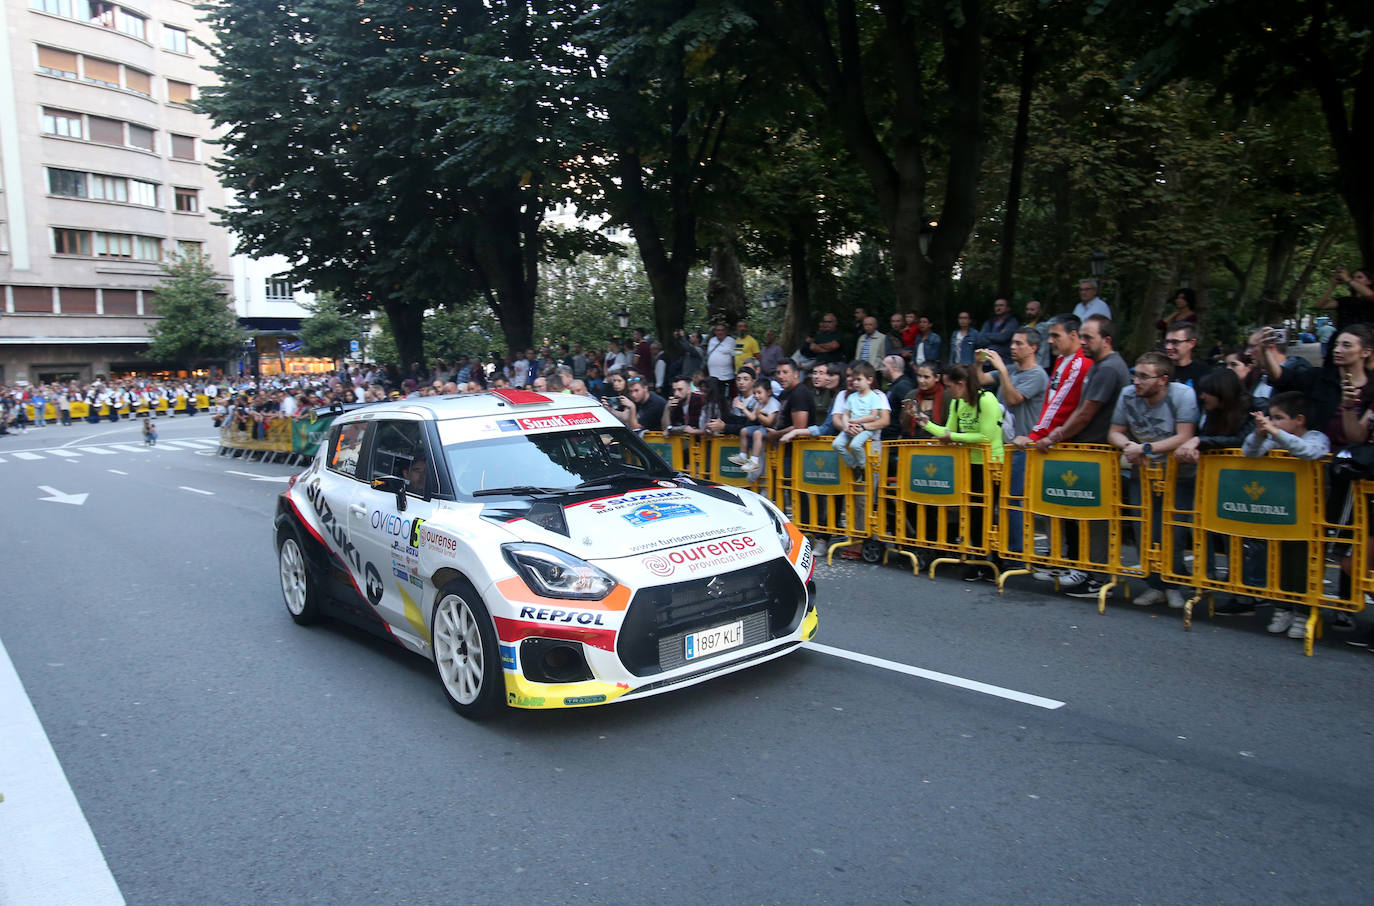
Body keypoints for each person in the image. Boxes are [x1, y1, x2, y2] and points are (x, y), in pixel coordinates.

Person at [1108, 352, 1199, 609]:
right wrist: (1128, 445)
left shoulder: (1182, 395)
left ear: (1163, 380)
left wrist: (1145, 448)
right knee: (1144, 529)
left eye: (1144, 377)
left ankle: (1173, 585)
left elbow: (1184, 435)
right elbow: (1114, 432)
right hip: (1143, 472)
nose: (1137, 381)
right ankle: (1154, 585)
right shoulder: (1127, 395)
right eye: (1135, 374)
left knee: (1172, 530)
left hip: (1177, 474)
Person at [1239, 394, 1330, 636]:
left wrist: (1276, 433)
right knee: (1279, 561)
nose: (1273, 423)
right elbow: (1250, 452)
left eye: (1279, 418)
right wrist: (1259, 433)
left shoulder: (1317, 437)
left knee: (1303, 564)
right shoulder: (1274, 438)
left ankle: (1303, 612)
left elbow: (1308, 453)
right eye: (1271, 417)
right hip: (1282, 511)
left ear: (1299, 419)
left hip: (1311, 515)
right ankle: (1282, 607)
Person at [913, 362, 1005, 580]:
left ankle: (996, 560)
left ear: (961, 384)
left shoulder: (987, 400)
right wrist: (924, 423)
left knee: (987, 513)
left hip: (991, 464)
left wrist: (953, 437)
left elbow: (986, 437)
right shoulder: (957, 404)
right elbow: (948, 431)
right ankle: (979, 559)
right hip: (968, 465)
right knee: (973, 514)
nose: (948, 391)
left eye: (950, 386)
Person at [830, 362, 889, 475]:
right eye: (851, 378)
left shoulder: (877, 395)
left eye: (858, 379)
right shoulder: (847, 396)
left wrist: (859, 425)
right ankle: (855, 466)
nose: (853, 381)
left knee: (870, 485)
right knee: (837, 444)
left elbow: (882, 419)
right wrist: (847, 426)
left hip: (871, 441)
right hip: (849, 434)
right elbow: (841, 416)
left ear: (869, 380)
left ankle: (863, 467)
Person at [730, 380, 781, 483]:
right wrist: (743, 409)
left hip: (771, 429)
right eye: (755, 393)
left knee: (757, 433)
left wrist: (759, 415)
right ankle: (743, 456)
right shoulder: (759, 404)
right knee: (744, 431)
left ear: (768, 392)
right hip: (761, 426)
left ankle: (754, 460)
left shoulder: (773, 404)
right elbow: (752, 417)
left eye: (759, 393)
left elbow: (769, 422)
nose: (756, 396)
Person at [1313, 265, 1373, 334]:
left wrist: (1349, 280)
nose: (1355, 279)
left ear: (1369, 281)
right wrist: (1333, 285)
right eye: (1353, 277)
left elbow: (1370, 295)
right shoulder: (1345, 301)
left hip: (1366, 339)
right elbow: (1320, 305)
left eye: (1359, 277)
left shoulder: (1370, 299)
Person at [900, 363, 946, 439]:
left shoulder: (946, 397)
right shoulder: (912, 395)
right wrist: (907, 415)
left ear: (937, 377)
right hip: (914, 443)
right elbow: (903, 425)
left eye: (926, 377)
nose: (921, 380)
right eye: (919, 376)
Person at [1163, 323, 1212, 393]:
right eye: (1167, 342)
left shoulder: (1205, 373)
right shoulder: (1158, 370)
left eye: (1175, 342)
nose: (1168, 347)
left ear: (1192, 343)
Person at [881, 355, 915, 440]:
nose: (881, 369)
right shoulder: (895, 385)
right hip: (888, 437)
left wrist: (903, 434)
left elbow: (910, 411)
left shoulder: (903, 386)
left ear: (894, 368)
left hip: (896, 439)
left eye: (884, 366)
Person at [979, 298, 1020, 362]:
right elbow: (980, 339)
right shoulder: (989, 322)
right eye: (996, 306)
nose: (998, 308)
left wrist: (987, 336)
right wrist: (997, 337)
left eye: (1001, 305)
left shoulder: (1012, 322)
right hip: (986, 358)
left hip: (1003, 359)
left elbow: (1003, 337)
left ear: (1008, 308)